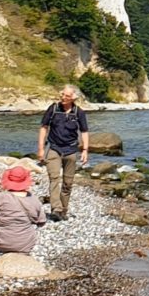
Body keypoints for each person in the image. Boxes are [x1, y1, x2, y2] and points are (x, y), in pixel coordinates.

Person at [34, 85, 88, 220]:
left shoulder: (79, 112)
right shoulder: (53, 109)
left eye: (67, 96)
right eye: (63, 94)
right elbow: (43, 127)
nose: (63, 97)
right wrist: (41, 148)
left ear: (74, 98)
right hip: (54, 148)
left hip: (71, 150)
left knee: (68, 183)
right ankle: (56, 209)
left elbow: (84, 132)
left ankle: (63, 210)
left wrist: (85, 150)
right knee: (54, 179)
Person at [0, 165, 47, 259]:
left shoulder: (1, 197)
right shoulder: (33, 199)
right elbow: (41, 222)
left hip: (1, 242)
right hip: (26, 244)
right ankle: (22, 253)